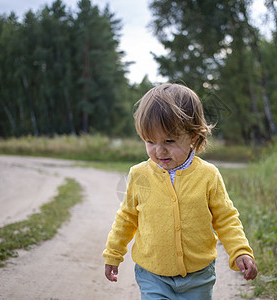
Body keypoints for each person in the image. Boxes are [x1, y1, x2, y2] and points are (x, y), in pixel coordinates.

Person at [103, 83, 257, 299]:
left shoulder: (208, 175)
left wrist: (239, 250)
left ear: (194, 136)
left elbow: (226, 218)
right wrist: (113, 253)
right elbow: (126, 218)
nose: (159, 150)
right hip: (152, 274)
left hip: (198, 276)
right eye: (150, 141)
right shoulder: (139, 175)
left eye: (169, 140)